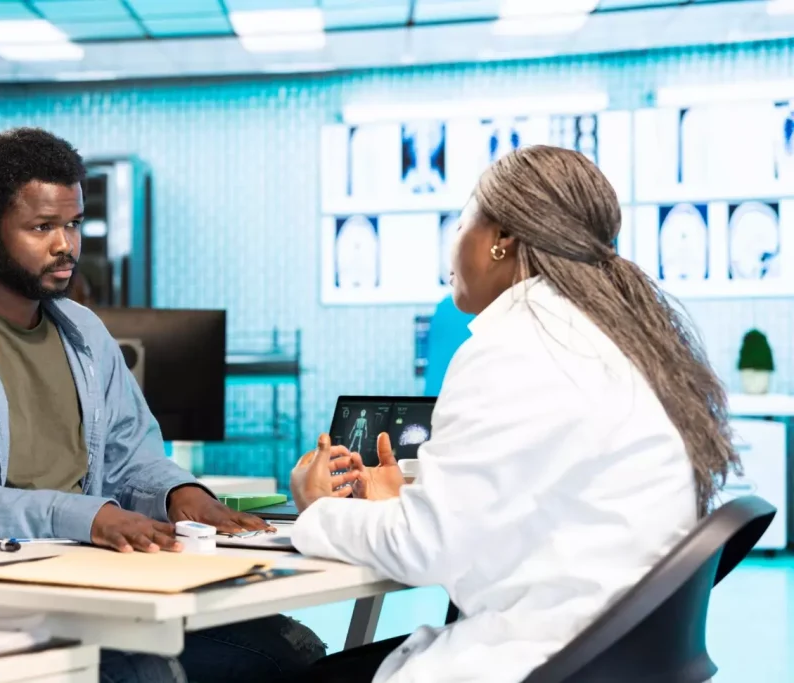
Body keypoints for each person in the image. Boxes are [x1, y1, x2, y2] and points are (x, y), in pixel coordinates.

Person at [0, 127, 325, 683]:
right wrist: (89, 517)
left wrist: (179, 493)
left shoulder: (83, 331)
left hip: (93, 578)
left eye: (73, 223)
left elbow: (132, 457)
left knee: (293, 649)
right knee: (155, 673)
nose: (66, 245)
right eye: (42, 227)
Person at [288, 145, 741, 683]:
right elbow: (522, 512)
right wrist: (408, 504)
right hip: (607, 656)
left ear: (501, 237)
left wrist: (316, 508)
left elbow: (425, 550)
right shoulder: (617, 338)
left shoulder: (514, 345)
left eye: (459, 225)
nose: (451, 250)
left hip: (541, 660)